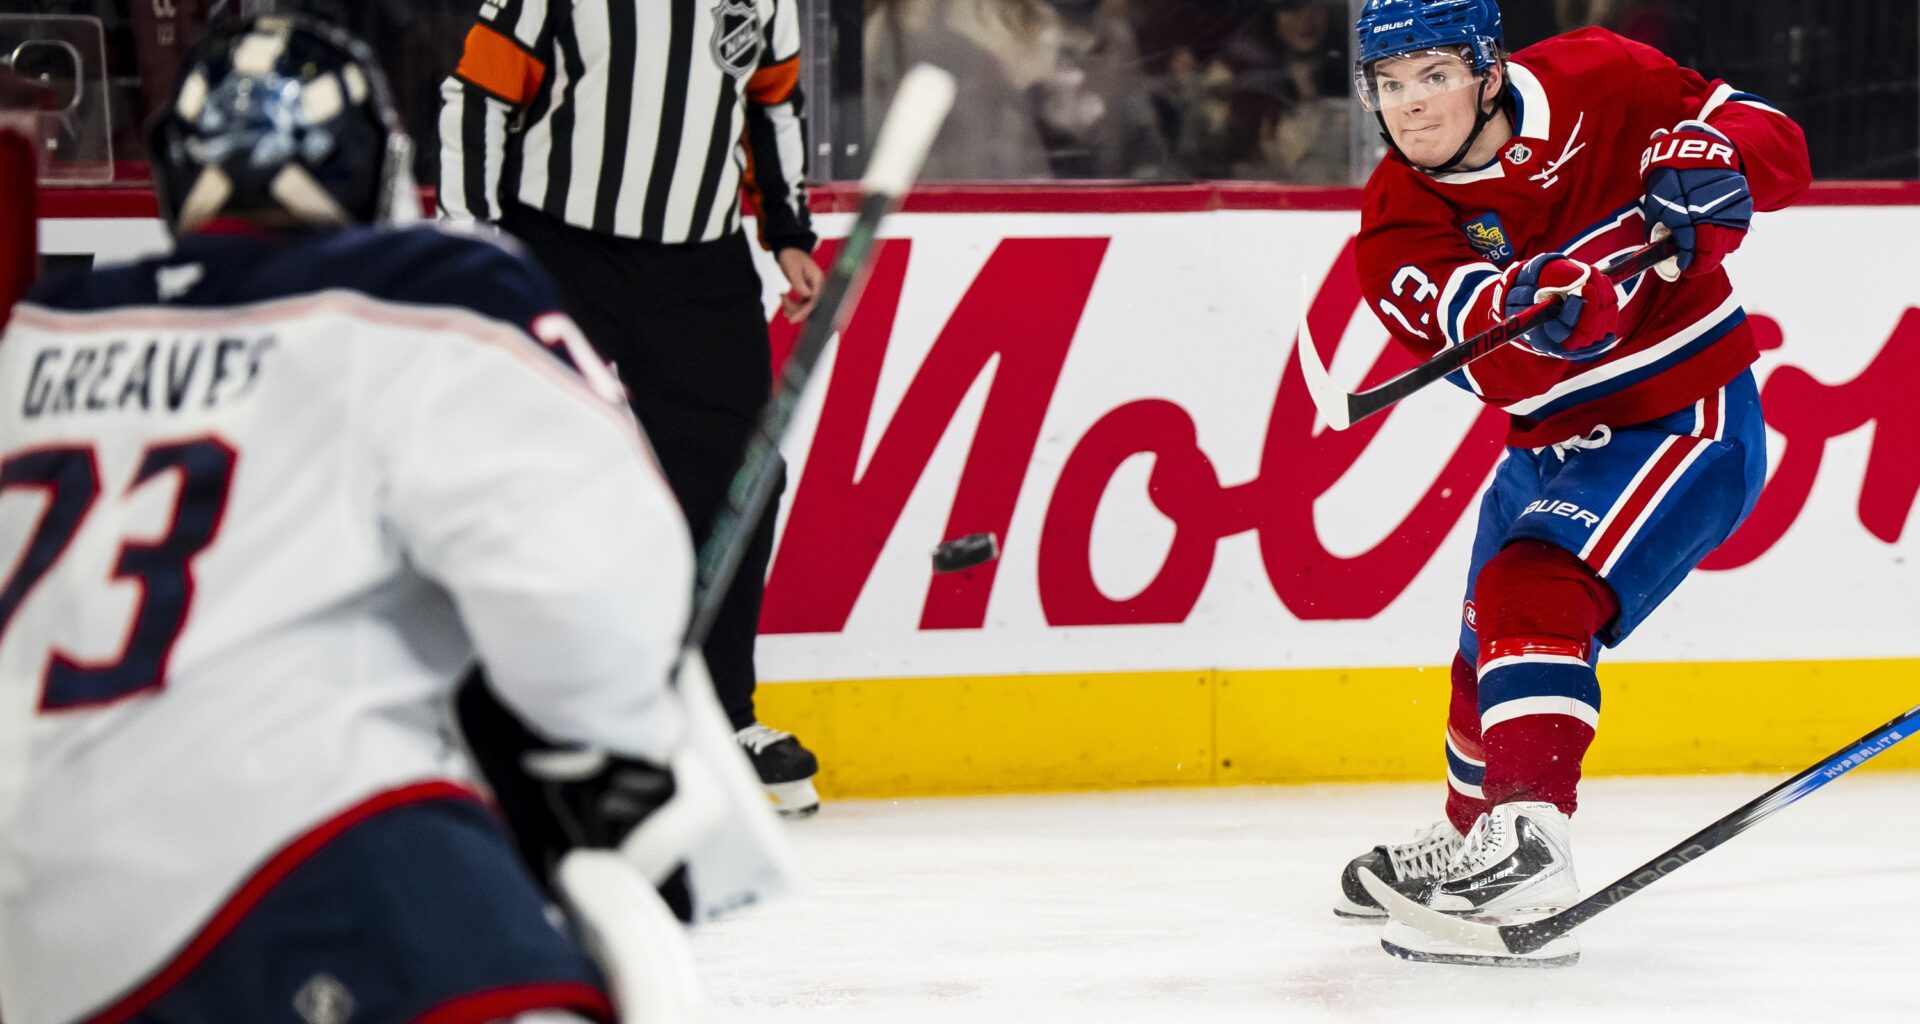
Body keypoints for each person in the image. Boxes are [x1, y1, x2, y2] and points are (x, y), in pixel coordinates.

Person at [0, 16, 777, 1021]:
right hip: (275, 851)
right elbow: (591, 611)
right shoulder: (429, 294)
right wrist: (611, 756)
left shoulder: (43, 329)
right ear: (373, 169)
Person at [1331, 0, 1809, 966]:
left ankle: (1531, 842)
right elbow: (1500, 364)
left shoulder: (1602, 73)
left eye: (1434, 75)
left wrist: (1721, 161)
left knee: (1534, 588)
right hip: (1546, 442)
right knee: (1485, 650)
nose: (1410, 105)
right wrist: (1532, 316)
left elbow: (1776, 141)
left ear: (1489, 69)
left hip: (1685, 414)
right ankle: (1479, 836)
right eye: (1389, 83)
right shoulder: (1395, 223)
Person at [437, 0, 824, 815]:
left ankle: (721, 716)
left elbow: (773, 98)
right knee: (519, 476)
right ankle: (497, 710)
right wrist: (475, 241)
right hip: (558, 247)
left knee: (740, 480)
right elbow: (478, 93)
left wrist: (788, 230)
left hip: (701, 263)